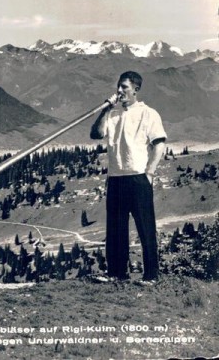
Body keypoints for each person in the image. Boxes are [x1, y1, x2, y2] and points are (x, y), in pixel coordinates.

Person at [90, 71, 167, 284]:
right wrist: (105, 110)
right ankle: (116, 273)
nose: (120, 91)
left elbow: (159, 144)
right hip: (116, 178)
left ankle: (151, 275)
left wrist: (150, 171)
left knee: (145, 228)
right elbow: (96, 134)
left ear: (135, 89)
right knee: (115, 228)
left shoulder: (148, 113)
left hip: (138, 177)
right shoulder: (112, 114)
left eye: (124, 87)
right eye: (118, 86)